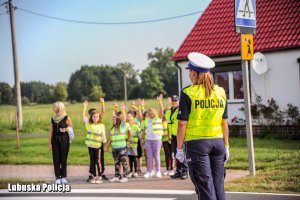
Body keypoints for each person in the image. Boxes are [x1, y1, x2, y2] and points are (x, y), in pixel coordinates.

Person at [176, 52, 229, 200]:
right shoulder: (220, 92)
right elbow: (224, 122)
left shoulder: (188, 93)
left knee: (205, 187)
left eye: (189, 71)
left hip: (197, 144)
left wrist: (179, 148)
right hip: (218, 143)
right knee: (219, 186)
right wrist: (227, 145)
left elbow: (181, 124)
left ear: (193, 72)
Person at [49, 101, 73, 184]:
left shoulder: (66, 117)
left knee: (63, 158)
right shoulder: (53, 118)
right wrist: (49, 143)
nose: (53, 108)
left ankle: (63, 177)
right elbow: (51, 131)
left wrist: (65, 129)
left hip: (64, 140)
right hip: (54, 140)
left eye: (54, 107)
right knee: (56, 159)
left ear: (59, 108)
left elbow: (71, 129)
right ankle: (57, 177)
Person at [83, 100, 107, 184]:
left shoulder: (101, 126)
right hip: (90, 146)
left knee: (98, 161)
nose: (95, 118)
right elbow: (84, 116)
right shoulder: (89, 125)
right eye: (93, 117)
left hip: (98, 146)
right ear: (91, 118)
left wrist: (105, 144)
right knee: (92, 161)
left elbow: (103, 136)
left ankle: (100, 176)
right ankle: (93, 175)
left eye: (97, 117)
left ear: (99, 117)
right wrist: (85, 107)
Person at [105, 105, 131, 183]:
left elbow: (124, 119)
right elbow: (111, 138)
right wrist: (107, 146)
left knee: (123, 162)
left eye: (114, 118)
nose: (113, 120)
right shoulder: (112, 129)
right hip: (114, 148)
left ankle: (125, 176)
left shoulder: (122, 126)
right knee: (116, 163)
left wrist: (123, 110)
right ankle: (117, 176)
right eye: (113, 118)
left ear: (118, 120)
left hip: (122, 148)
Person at [140, 94, 164, 178]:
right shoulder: (146, 119)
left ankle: (158, 171)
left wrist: (160, 102)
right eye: (149, 114)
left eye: (153, 113)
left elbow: (161, 111)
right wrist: (142, 139)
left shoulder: (158, 118)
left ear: (155, 113)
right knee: (149, 156)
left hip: (157, 139)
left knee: (156, 155)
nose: (151, 115)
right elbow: (144, 129)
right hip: (148, 140)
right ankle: (149, 171)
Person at [166, 94, 188, 179]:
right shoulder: (169, 111)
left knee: (182, 152)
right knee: (176, 154)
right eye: (173, 101)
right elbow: (169, 124)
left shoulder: (181, 110)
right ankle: (178, 171)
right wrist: (168, 135)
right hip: (173, 135)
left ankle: (185, 170)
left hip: (180, 135)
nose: (174, 102)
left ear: (179, 101)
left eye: (176, 100)